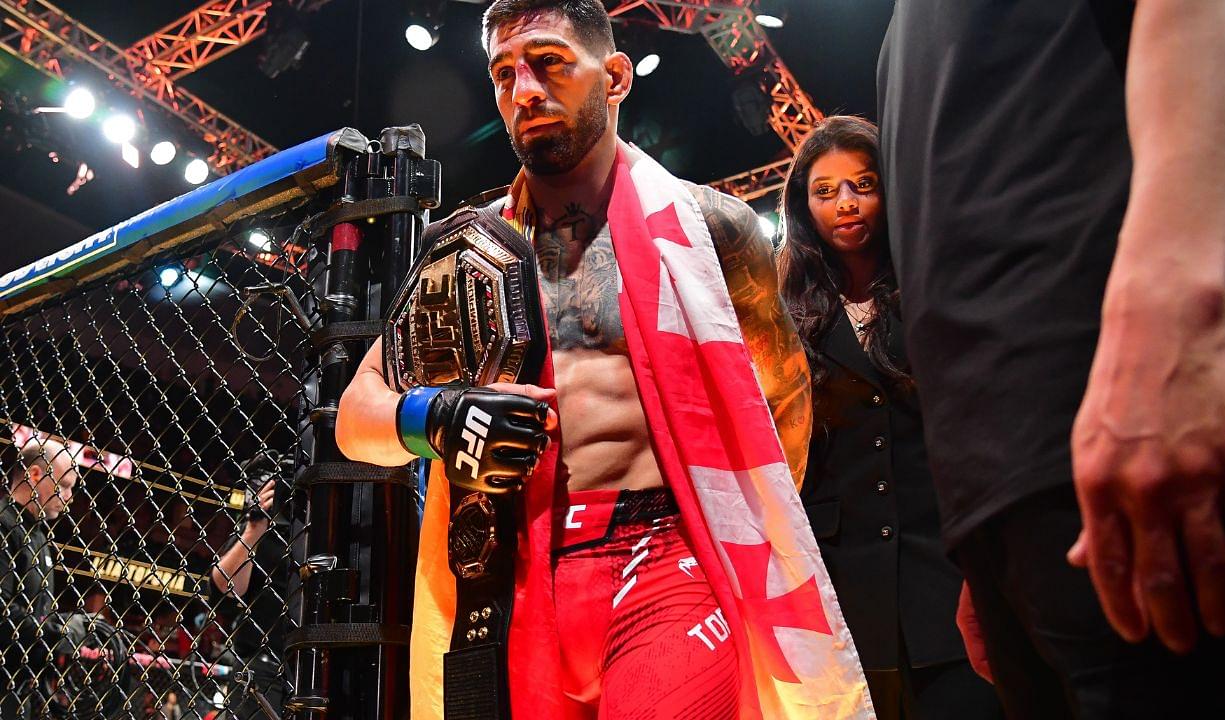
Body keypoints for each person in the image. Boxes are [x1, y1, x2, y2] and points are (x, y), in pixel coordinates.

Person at [337, 1, 873, 718]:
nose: (524, 89)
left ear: (615, 76)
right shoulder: (468, 254)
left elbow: (784, 418)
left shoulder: (717, 228)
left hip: (668, 563)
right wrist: (437, 415)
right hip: (512, 576)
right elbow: (354, 418)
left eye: (550, 62)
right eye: (504, 72)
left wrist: (742, 546)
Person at [878, 2, 1225, 718]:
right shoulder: (903, 34)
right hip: (1018, 511)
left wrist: (1176, 322)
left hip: (1147, 436)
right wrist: (979, 545)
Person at [777, 115, 1001, 720]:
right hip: (846, 593)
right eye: (825, 191)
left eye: (863, 183)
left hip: (949, 572)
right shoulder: (783, 312)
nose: (845, 204)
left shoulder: (935, 280)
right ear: (804, 207)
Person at [0, 437, 85, 719]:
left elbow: (34, 614)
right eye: (63, 485)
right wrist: (59, 631)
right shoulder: (4, 525)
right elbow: (4, 614)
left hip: (19, 688)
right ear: (35, 475)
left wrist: (65, 624)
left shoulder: (38, 536)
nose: (69, 496)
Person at [207, 451, 291, 720]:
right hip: (263, 664)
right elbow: (226, 585)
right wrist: (255, 527)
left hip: (309, 662)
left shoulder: (319, 527)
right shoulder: (257, 531)